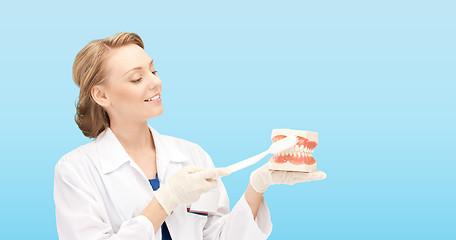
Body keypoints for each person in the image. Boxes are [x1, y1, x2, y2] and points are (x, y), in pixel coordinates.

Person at [53, 32, 327, 240]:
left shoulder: (192, 155)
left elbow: (218, 236)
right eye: (137, 78)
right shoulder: (76, 170)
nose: (155, 81)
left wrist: (256, 187)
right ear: (101, 95)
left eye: (153, 70)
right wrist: (165, 200)